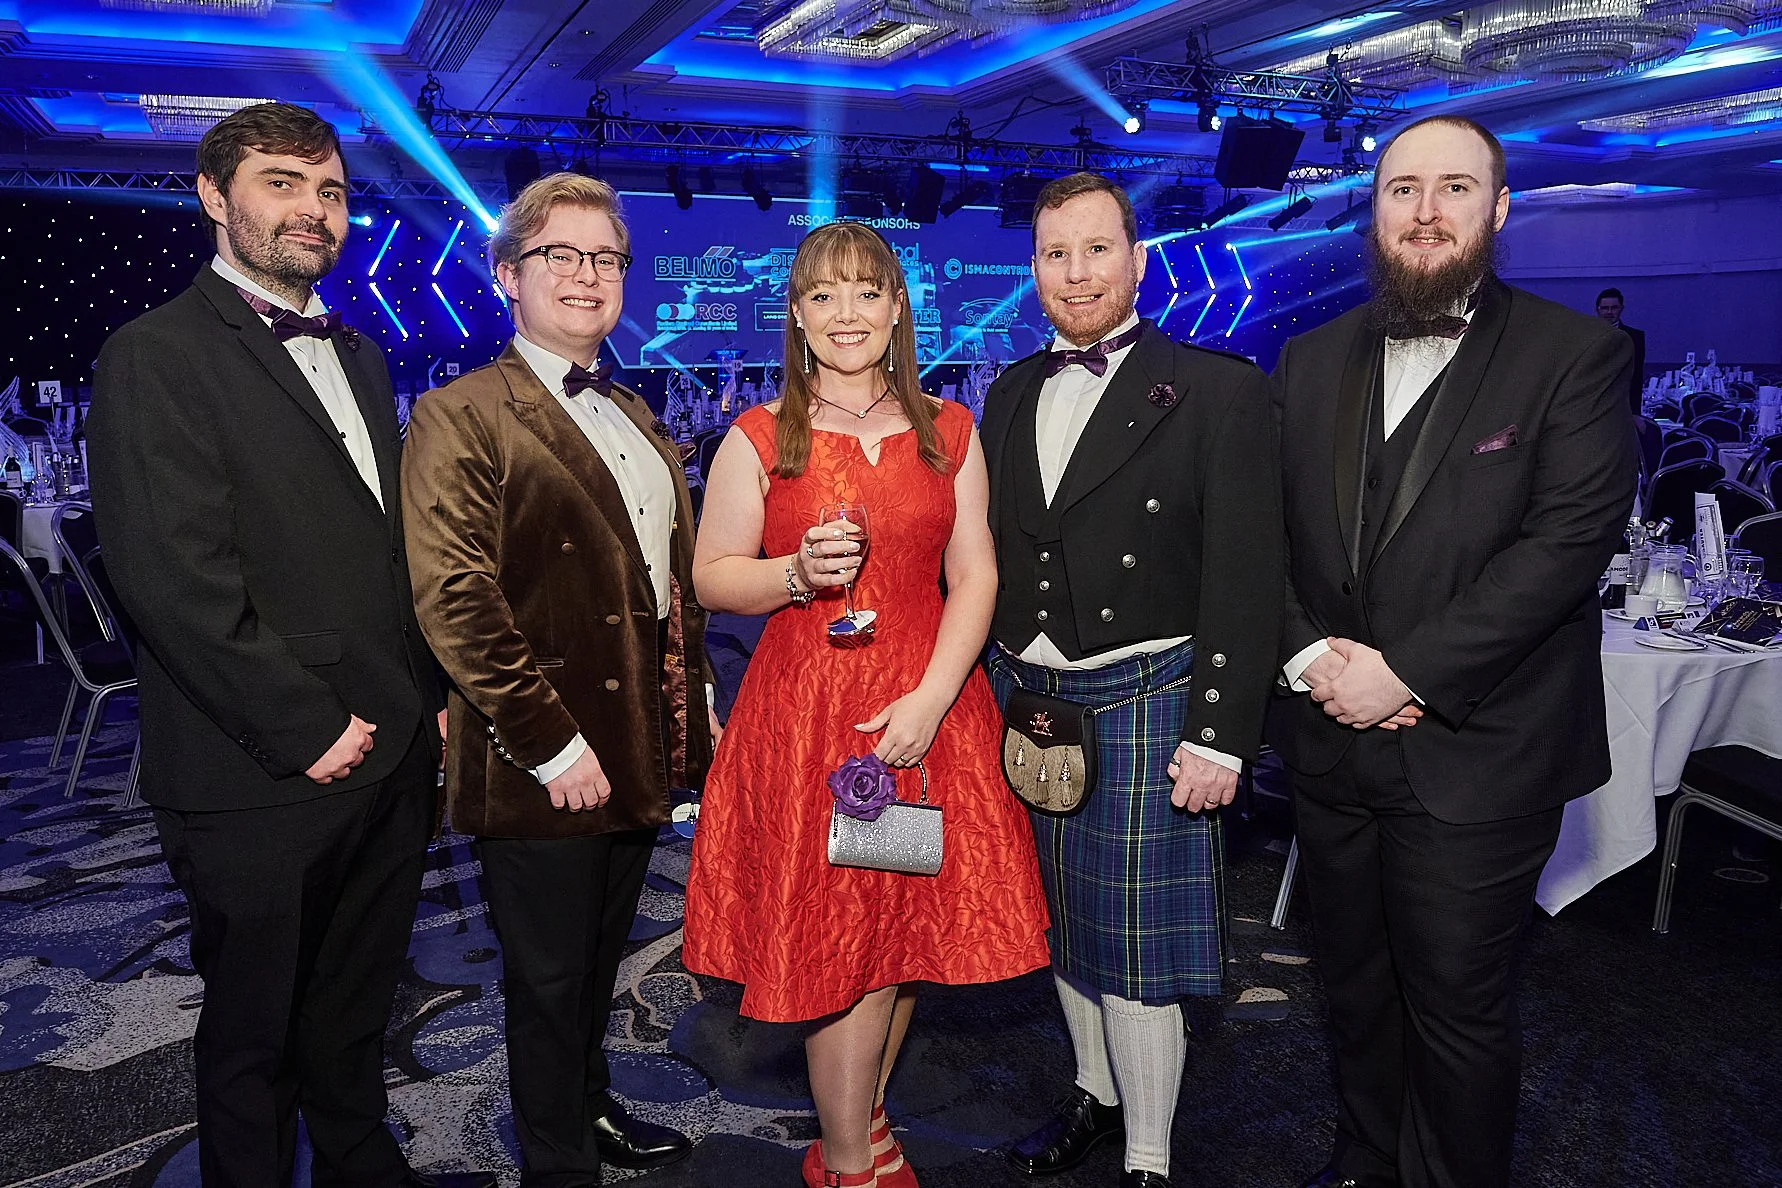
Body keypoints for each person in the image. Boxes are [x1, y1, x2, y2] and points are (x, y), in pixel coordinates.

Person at [86, 103, 490, 1188]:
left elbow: (377, 548)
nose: (314, 210)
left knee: (357, 1004)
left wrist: (427, 693)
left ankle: (359, 1162)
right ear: (213, 197)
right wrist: (307, 727)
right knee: (254, 1035)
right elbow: (173, 580)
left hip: (389, 749)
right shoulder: (155, 354)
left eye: (332, 192)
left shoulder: (359, 354)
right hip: (259, 765)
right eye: (282, 183)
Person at [1269, 116, 1638, 1188]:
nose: (1426, 212)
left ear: (1500, 208)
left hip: (1482, 754)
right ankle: (1365, 1160)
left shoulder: (1575, 356)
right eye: (1403, 190)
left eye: (1455, 188)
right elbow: (1257, 541)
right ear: (1374, 210)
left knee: (1457, 1008)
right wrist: (1311, 660)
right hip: (1331, 744)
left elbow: (1566, 547)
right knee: (1352, 985)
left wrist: (1405, 673)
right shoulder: (1310, 358)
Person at [682, 220, 1051, 1188]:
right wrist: (794, 574)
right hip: (811, 720)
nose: (845, 312)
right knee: (840, 939)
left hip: (928, 710)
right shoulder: (759, 436)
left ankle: (861, 1122)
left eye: (864, 291)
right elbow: (712, 577)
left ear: (897, 308)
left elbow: (976, 575)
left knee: (900, 928)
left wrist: (932, 699)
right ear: (797, 316)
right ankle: (848, 1162)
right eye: (822, 294)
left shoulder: (950, 431)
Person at [401, 173, 714, 1185]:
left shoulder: (634, 410)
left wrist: (694, 701)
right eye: (561, 255)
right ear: (507, 274)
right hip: (540, 753)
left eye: (606, 258)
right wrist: (550, 744)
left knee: (598, 960)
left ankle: (588, 1108)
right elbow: (455, 597)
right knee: (544, 980)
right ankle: (558, 1162)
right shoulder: (460, 413)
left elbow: (665, 584)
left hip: (638, 746)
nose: (588, 276)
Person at [980, 172, 1284, 1188]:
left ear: (1138, 260)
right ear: (1034, 269)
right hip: (1029, 698)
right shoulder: (1008, 391)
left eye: (1097, 249)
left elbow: (1247, 571)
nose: (1077, 273)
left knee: (1139, 949)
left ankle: (1149, 1159)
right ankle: (1093, 1094)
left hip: (1152, 696)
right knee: (1062, 921)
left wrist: (1220, 735)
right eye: (1055, 253)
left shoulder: (1216, 388)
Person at [1595, 287, 1646, 416]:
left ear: (1621, 309)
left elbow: (1636, 377)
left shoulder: (1635, 337)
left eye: (1614, 308)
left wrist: (1635, 413)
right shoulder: (1586, 336)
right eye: (1605, 308)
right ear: (1597, 309)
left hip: (1623, 403)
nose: (1609, 312)